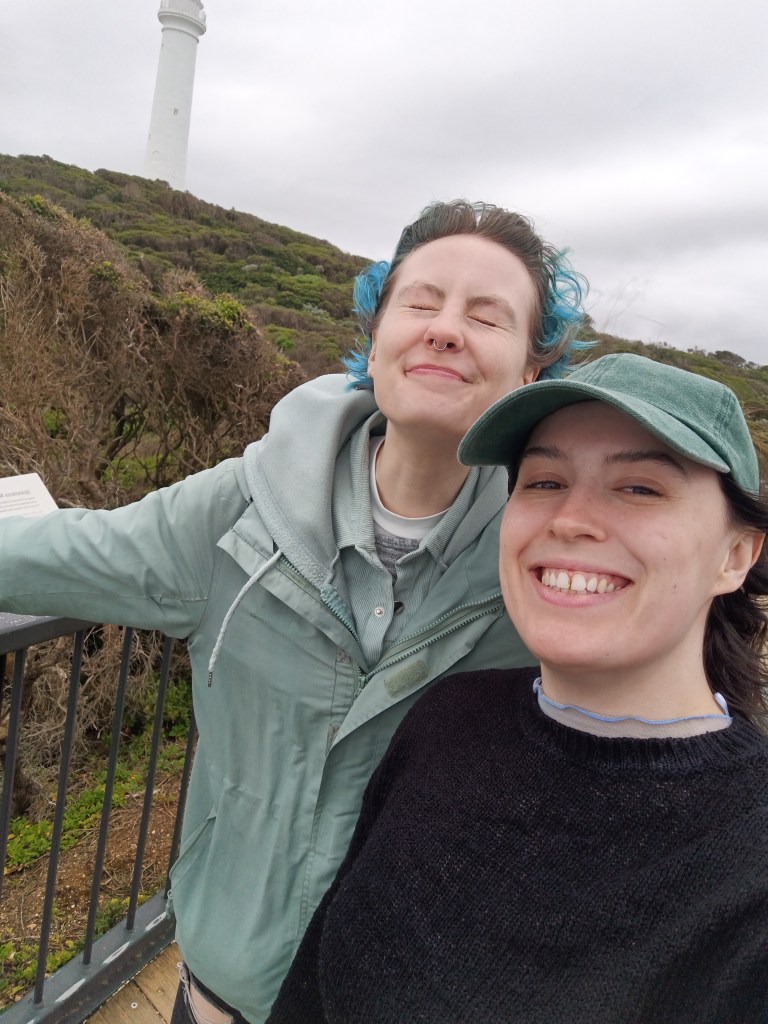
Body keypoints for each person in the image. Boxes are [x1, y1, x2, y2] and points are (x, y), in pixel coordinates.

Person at [0, 200, 587, 1023]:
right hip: (222, 990)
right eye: (420, 302)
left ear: (533, 372)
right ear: (374, 335)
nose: (445, 329)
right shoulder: (240, 510)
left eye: (488, 317)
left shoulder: (553, 558)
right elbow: (59, 551)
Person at [267, 352, 768, 1024]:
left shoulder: (749, 868)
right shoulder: (446, 718)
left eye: (639, 488)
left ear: (735, 555)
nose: (570, 519)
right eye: (543, 481)